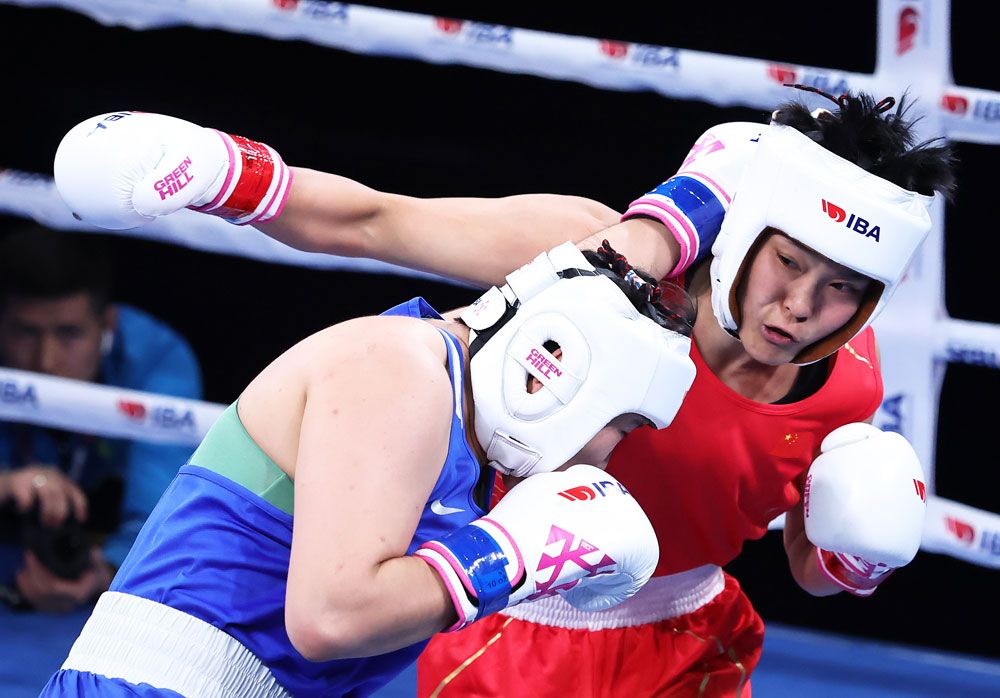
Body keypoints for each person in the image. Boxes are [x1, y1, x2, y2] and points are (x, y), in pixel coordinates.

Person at [52, 88, 955, 695]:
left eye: (842, 288)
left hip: (683, 626)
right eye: (789, 264)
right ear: (749, 230)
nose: (801, 307)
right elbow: (376, 222)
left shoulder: (851, 379)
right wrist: (226, 175)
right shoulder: (590, 262)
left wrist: (857, 556)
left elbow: (811, 555)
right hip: (510, 603)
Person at [36, 235, 698, 695]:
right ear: (558, 368)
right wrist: (517, 555)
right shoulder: (397, 368)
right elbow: (332, 618)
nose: (608, 456)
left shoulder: (459, 434)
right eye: (621, 427)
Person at [0, 224, 203, 614]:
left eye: (69, 334)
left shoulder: (157, 361)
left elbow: (162, 510)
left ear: (108, 324)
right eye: (25, 332)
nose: (47, 360)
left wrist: (104, 572)